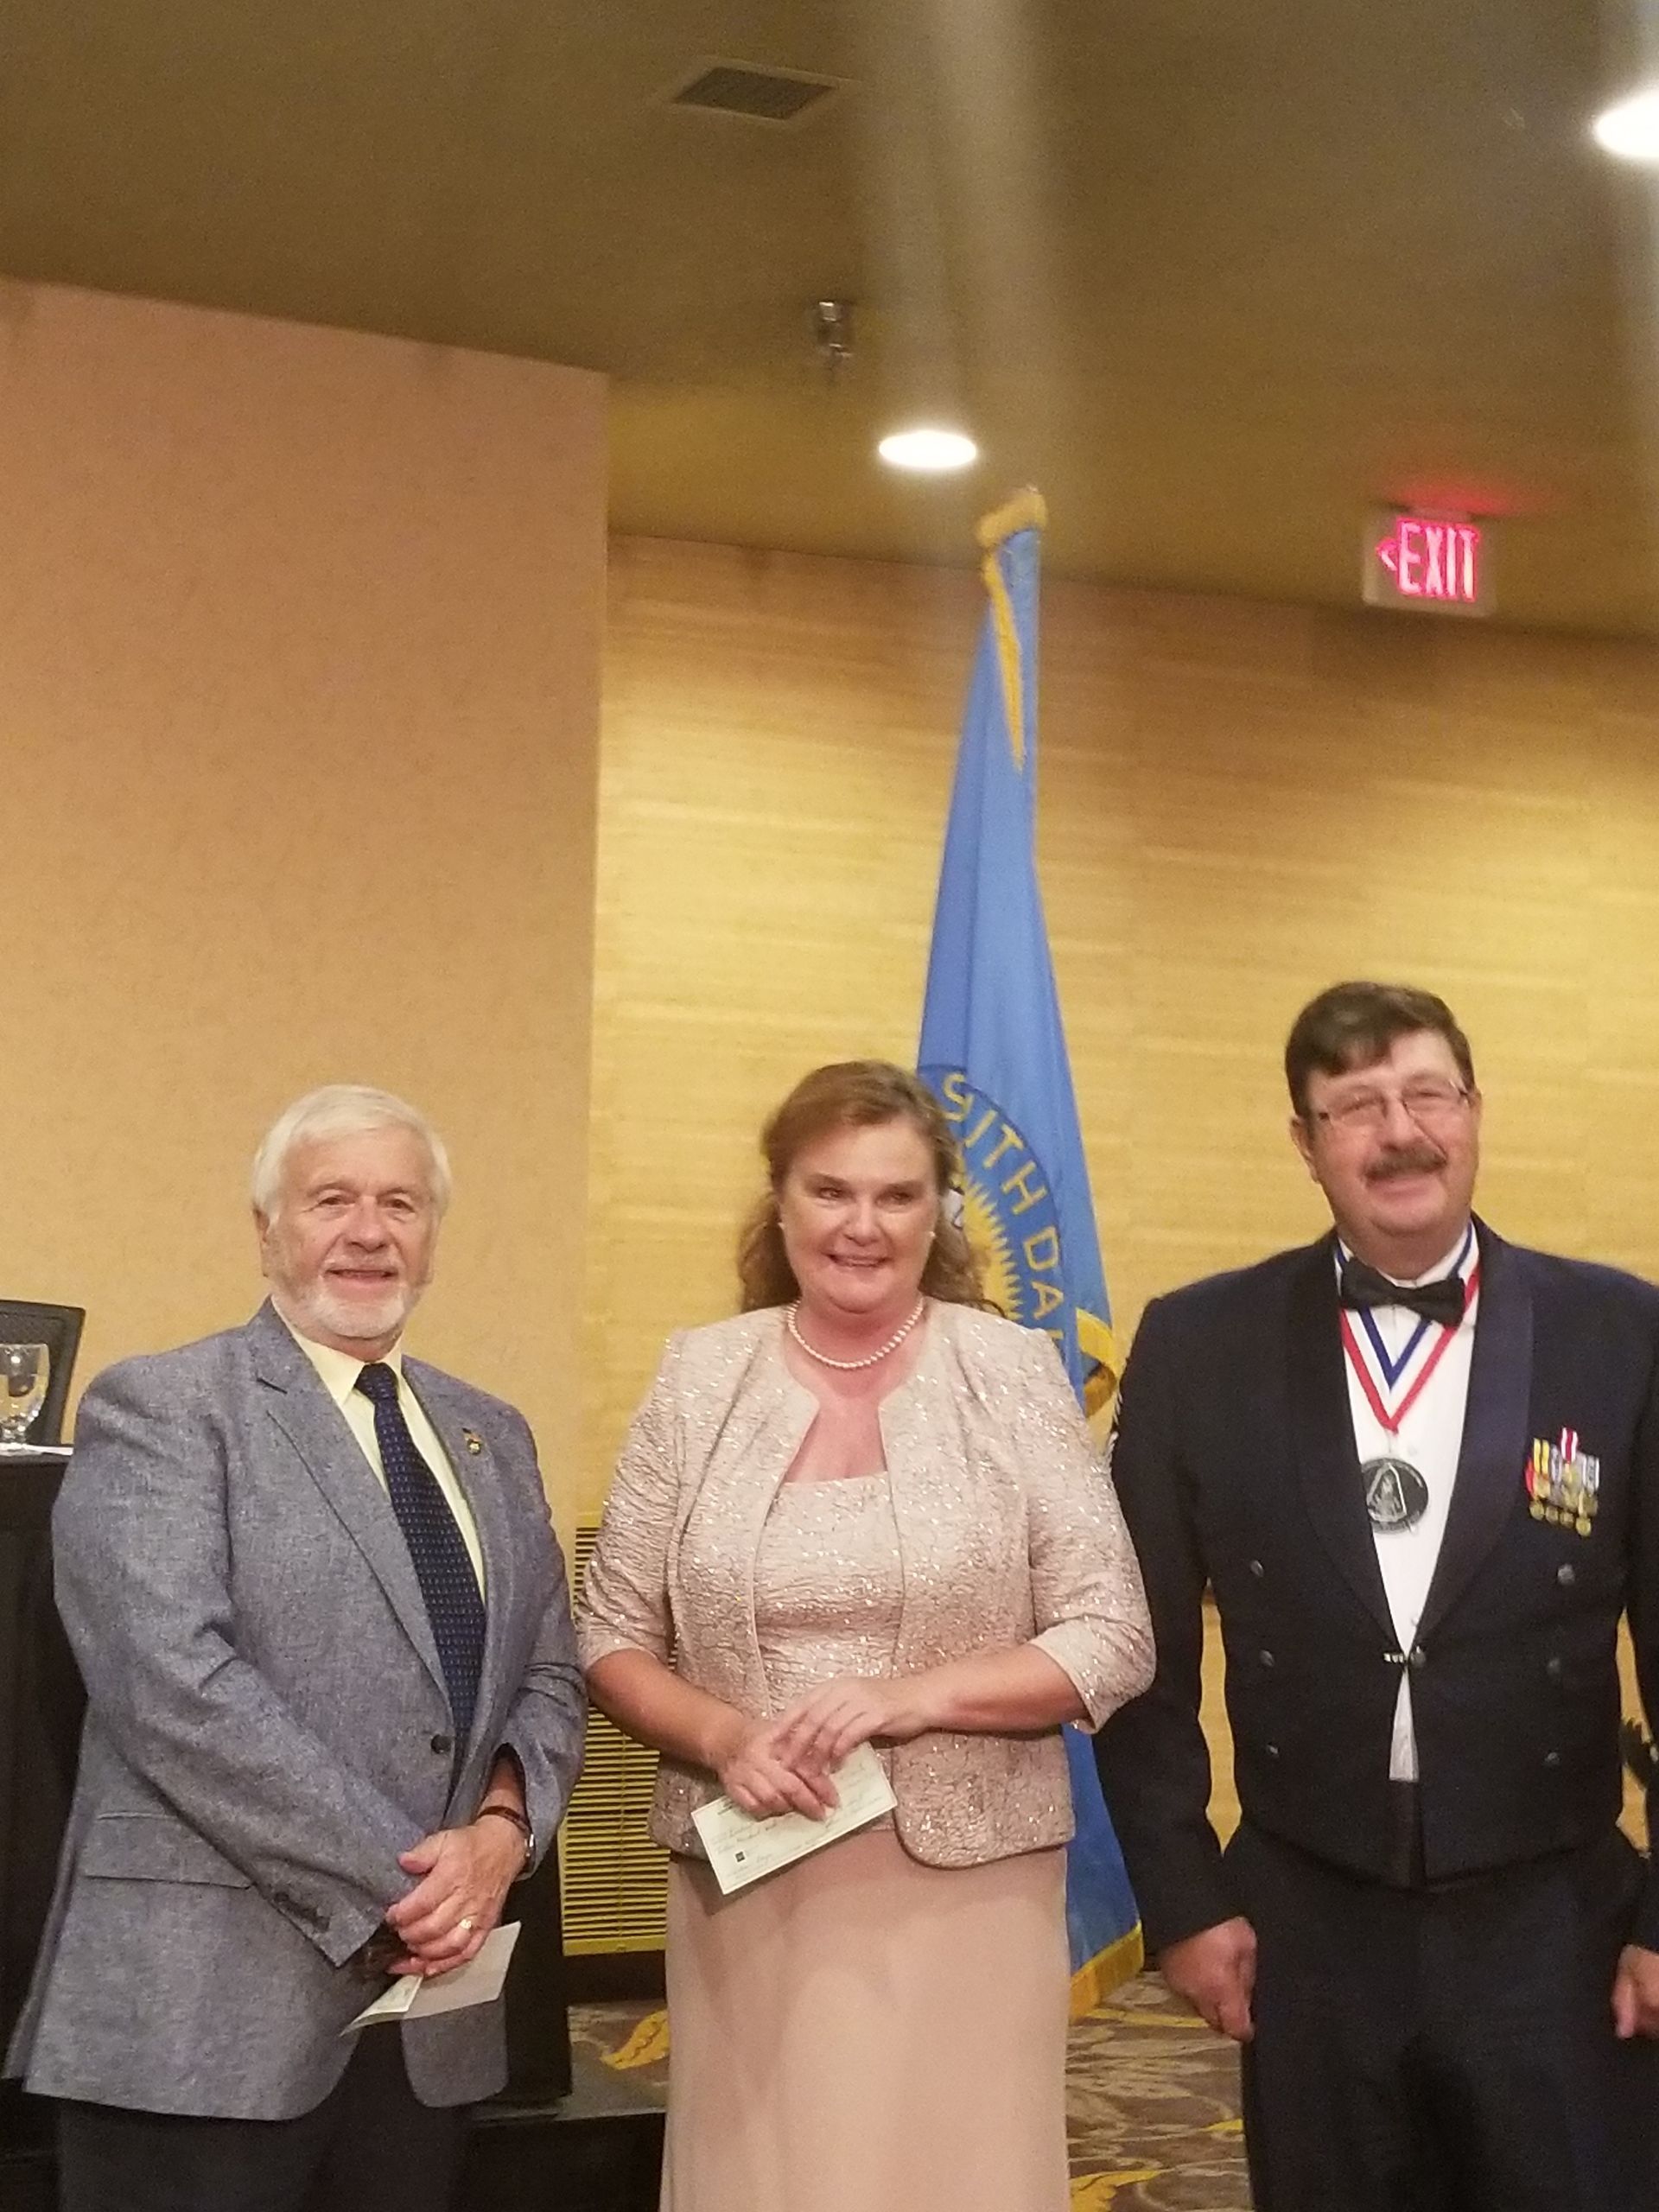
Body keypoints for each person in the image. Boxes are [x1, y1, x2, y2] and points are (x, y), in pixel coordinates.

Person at [1094, 981, 1659, 2212]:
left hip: (1552, 1913)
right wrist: (1183, 1900)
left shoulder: (1621, 1331)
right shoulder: (1199, 1344)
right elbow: (1137, 1657)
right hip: (1307, 1917)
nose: (1398, 1131)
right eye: (1353, 1106)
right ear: (1306, 1144)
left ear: (1474, 1110)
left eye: (1425, 1094)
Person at [577, 1058, 1153, 2212]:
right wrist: (724, 1734)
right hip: (749, 1879)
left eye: (897, 1196)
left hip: (967, 1889)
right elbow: (608, 1633)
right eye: (831, 1191)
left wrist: (910, 1698)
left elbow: (1111, 1635)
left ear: (938, 1213)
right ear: (779, 1202)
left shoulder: (1013, 1372)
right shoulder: (701, 1378)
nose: (862, 1225)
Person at [8, 1084, 585, 2212]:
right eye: (332, 1199)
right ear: (268, 1227)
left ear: (431, 1236)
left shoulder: (492, 1434)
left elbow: (551, 1675)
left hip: (419, 2038)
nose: (369, 1231)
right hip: (200, 2026)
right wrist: (420, 1878)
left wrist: (504, 1837)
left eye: (400, 1203)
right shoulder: (165, 1409)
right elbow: (174, 1687)